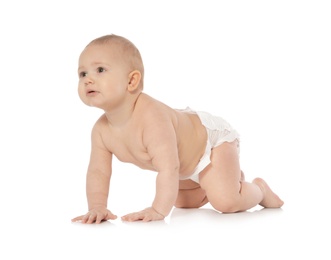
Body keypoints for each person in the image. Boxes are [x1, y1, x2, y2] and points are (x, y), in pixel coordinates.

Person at [71, 34, 284, 224]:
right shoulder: (101, 131)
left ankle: (258, 190)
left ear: (132, 80)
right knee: (183, 202)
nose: (88, 79)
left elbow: (169, 168)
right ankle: (224, 177)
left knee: (225, 200)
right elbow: (98, 171)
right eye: (82, 74)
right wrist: (97, 207)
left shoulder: (152, 118)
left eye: (100, 70)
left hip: (210, 144)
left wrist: (157, 210)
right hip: (185, 165)